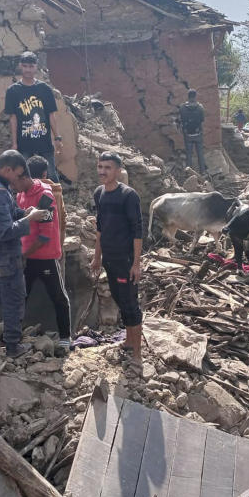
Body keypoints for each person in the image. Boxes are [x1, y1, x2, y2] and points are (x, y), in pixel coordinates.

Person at [0, 150, 49, 358]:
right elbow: (5, 231)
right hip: (5, 255)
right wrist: (30, 220)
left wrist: (22, 212)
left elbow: (3, 213)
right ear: (8, 169)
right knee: (14, 298)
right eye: (17, 175)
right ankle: (13, 345)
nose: (18, 180)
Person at [90, 152, 144, 362]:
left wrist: (136, 264)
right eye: (100, 166)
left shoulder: (129, 195)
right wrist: (97, 257)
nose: (102, 171)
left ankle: (137, 353)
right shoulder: (99, 193)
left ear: (118, 170)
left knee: (130, 302)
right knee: (119, 298)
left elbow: (137, 231)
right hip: (109, 258)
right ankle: (129, 342)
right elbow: (100, 227)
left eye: (108, 167)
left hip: (125, 259)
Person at [17, 157, 71, 354]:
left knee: (58, 297)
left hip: (45, 256)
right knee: (20, 296)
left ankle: (65, 337)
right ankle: (13, 336)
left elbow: (45, 236)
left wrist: (24, 255)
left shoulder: (46, 197)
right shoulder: (21, 194)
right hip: (27, 255)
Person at [5, 51, 62, 181]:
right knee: (24, 176)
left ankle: (56, 201)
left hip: (44, 141)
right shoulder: (13, 91)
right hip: (24, 142)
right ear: (20, 66)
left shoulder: (45, 89)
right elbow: (13, 118)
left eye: (31, 66)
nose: (28, 70)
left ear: (36, 67)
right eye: (25, 66)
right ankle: (27, 201)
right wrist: (14, 143)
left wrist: (57, 137)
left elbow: (51, 115)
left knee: (51, 175)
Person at [26, 155, 66, 253]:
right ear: (45, 173)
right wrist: (60, 244)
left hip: (31, 249)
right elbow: (63, 218)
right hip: (54, 248)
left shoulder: (25, 192)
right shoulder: (56, 192)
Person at [177, 89, 207, 173]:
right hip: (198, 134)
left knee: (189, 155)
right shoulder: (200, 107)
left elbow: (180, 120)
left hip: (187, 134)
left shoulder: (182, 107)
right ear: (195, 96)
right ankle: (203, 172)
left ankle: (189, 173)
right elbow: (202, 120)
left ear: (188, 96)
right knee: (200, 154)